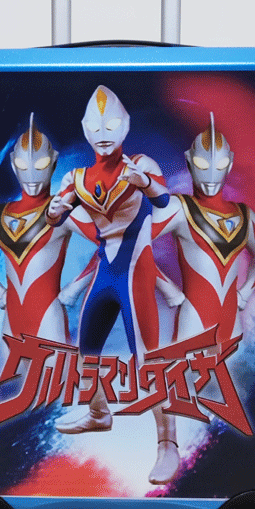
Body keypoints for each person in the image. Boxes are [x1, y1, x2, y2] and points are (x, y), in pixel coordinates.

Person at [45, 85, 181, 484]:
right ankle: (98, 413)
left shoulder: (140, 164)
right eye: (96, 126)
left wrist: (146, 183)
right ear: (86, 129)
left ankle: (168, 444)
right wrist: (53, 209)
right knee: (86, 350)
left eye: (111, 125)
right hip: (106, 270)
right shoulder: (77, 177)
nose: (103, 133)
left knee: (148, 360)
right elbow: (55, 216)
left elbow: (163, 200)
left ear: (125, 126)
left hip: (136, 269)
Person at [152, 113, 255, 464]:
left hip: (231, 323)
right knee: (166, 378)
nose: (210, 173)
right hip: (192, 320)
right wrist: (168, 288)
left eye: (218, 164)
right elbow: (137, 250)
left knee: (229, 390)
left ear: (229, 163)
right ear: (189, 161)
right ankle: (167, 446)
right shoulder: (179, 209)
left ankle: (221, 454)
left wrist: (246, 292)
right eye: (202, 164)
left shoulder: (244, 215)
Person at [0, 114, 95, 344]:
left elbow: (111, 246)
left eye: (40, 164)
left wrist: (75, 288)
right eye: (23, 165)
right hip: (11, 326)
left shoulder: (62, 209)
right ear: (13, 164)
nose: (31, 174)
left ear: (53, 161)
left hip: (50, 324)